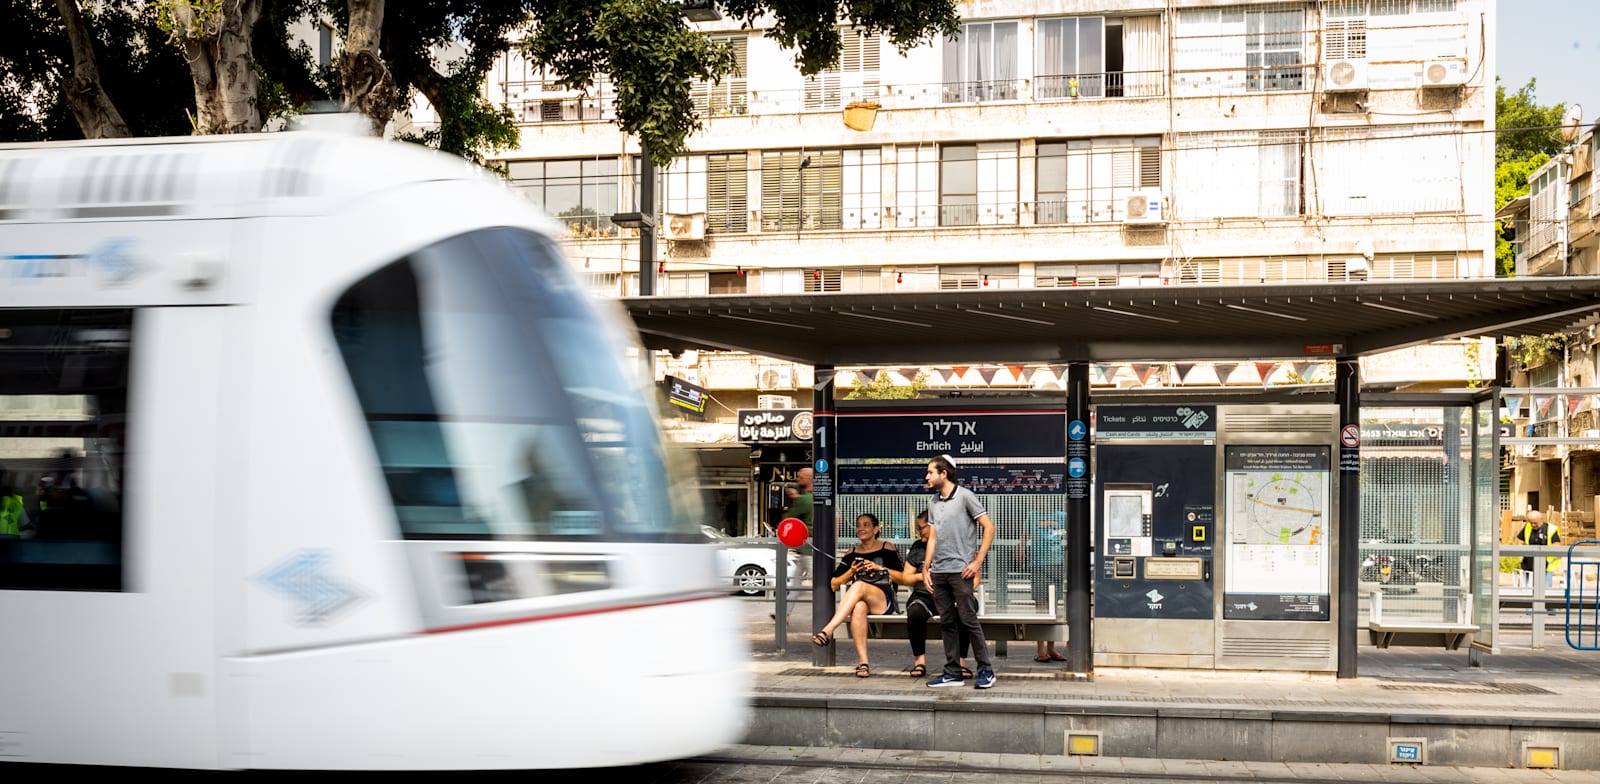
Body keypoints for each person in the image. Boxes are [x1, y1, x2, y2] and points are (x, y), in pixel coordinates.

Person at [921, 455, 997, 690]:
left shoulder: (965, 496)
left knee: (968, 620)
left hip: (961, 571)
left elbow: (989, 527)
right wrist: (926, 567)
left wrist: (977, 561)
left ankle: (986, 670)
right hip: (939, 571)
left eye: (930, 472)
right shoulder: (933, 502)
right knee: (947, 623)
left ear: (943, 473)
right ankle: (952, 672)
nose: (927, 476)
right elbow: (932, 536)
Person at [810, 512, 903, 678]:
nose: (861, 528)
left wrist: (878, 568)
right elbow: (834, 584)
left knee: (859, 585)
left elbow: (903, 578)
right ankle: (863, 663)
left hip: (883, 600)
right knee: (858, 608)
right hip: (862, 601)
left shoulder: (886, 548)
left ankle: (828, 630)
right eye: (858, 525)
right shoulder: (851, 553)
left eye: (866, 525)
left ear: (875, 529)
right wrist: (851, 571)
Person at [897, 509, 971, 679]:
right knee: (915, 610)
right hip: (926, 595)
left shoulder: (957, 543)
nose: (918, 532)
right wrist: (924, 575)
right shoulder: (917, 547)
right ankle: (919, 661)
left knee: (965, 609)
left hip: (953, 594)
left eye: (921, 528)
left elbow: (974, 578)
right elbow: (905, 577)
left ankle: (960, 662)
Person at [1017, 511, 1066, 663]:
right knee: (1040, 606)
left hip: (1057, 563)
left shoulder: (1062, 515)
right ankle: (1040, 649)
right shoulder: (1032, 515)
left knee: (1054, 607)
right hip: (1038, 564)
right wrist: (1021, 548)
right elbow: (1024, 536)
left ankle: (1050, 648)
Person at [777, 467, 815, 622]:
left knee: (818, 585)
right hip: (810, 549)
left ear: (809, 479)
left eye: (800, 477)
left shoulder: (804, 500)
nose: (797, 480)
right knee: (796, 583)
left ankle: (827, 614)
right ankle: (785, 614)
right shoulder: (815, 497)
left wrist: (794, 500)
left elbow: (787, 521)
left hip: (809, 550)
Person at [1514, 510, 1561, 606]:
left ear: (1541, 520)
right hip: (1529, 565)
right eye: (1531, 522)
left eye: (1535, 522)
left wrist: (1544, 550)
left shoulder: (1550, 529)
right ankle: (1530, 611)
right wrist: (1522, 548)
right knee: (1528, 591)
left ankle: (1551, 611)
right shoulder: (1527, 527)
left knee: (1546, 591)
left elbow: (1557, 545)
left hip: (1545, 566)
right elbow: (1519, 540)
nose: (1533, 525)